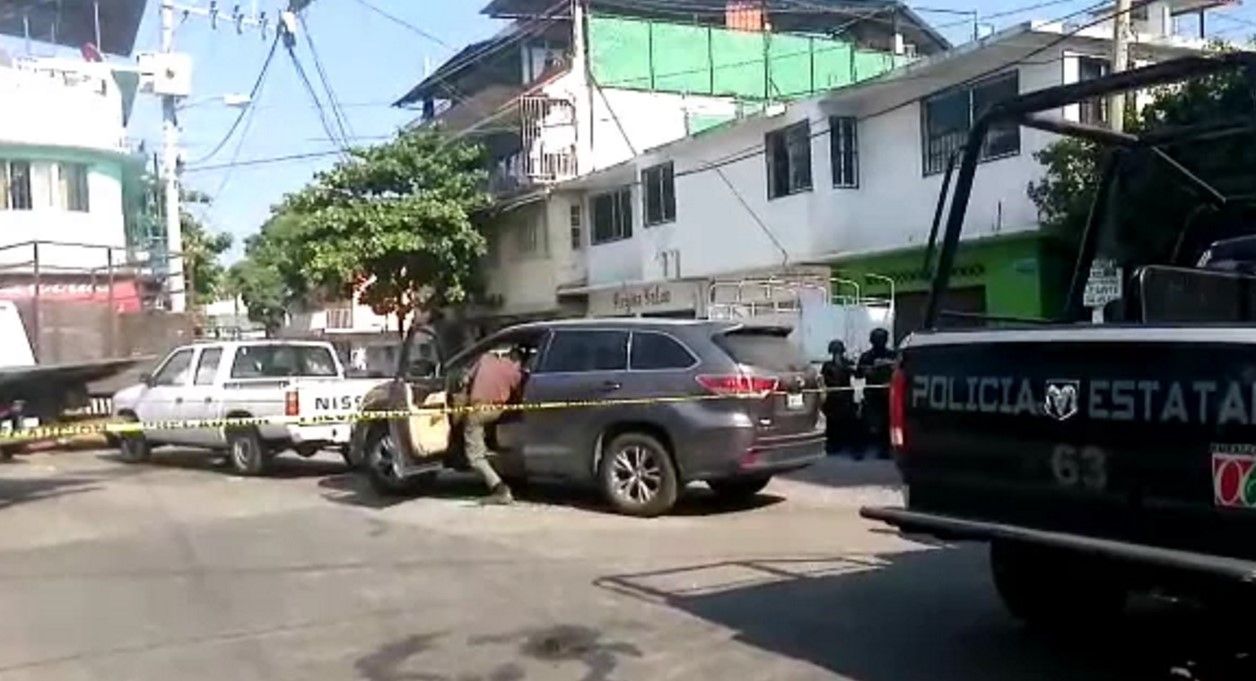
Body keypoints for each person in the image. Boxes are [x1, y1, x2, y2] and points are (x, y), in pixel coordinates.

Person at [464, 346, 526, 505]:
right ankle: (495, 454)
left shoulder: (484, 359)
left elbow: (465, 381)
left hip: (478, 410)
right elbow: (519, 395)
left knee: (474, 457)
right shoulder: (514, 372)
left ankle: (500, 489)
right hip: (498, 410)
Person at [857, 328, 897, 459]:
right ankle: (860, 450)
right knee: (865, 422)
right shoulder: (867, 356)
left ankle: (885, 449)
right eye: (877, 339)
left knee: (887, 422)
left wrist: (890, 366)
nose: (879, 342)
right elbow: (858, 374)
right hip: (872, 393)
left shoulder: (891, 355)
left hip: (886, 393)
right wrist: (868, 371)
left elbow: (899, 369)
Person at [819, 340, 856, 456]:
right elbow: (826, 379)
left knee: (850, 422)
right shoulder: (827, 365)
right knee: (832, 422)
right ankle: (833, 445)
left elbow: (857, 373)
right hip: (834, 397)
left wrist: (850, 367)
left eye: (838, 352)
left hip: (845, 397)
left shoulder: (847, 363)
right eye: (835, 352)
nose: (837, 354)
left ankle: (852, 447)